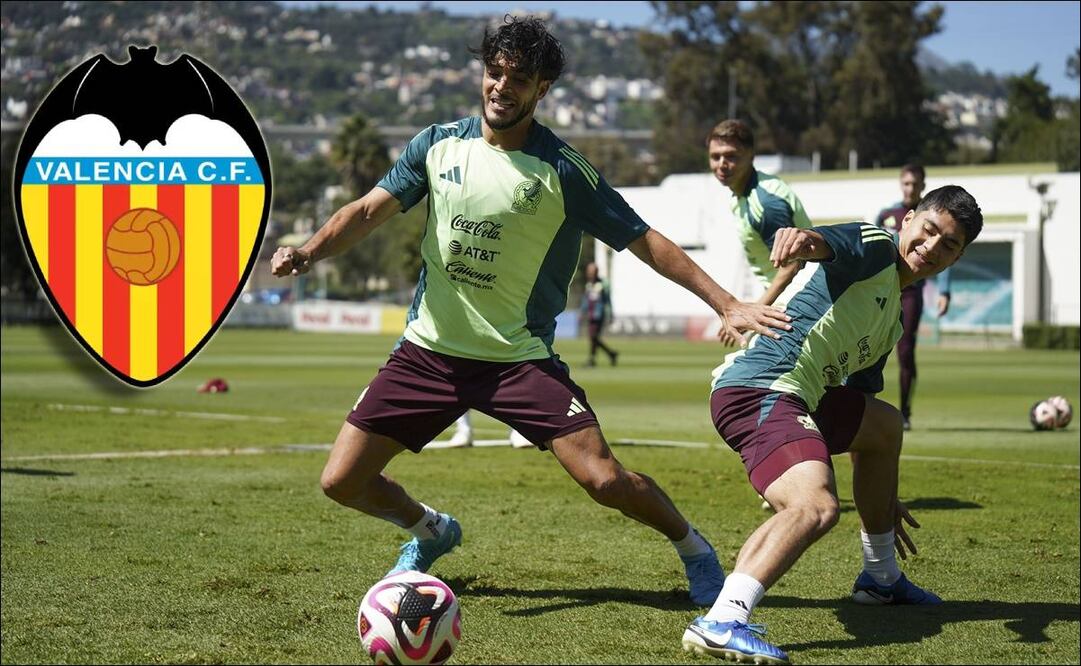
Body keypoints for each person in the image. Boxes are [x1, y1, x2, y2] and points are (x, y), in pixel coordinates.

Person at [272, 16, 790, 605]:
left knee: (605, 479)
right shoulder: (437, 145)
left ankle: (695, 550)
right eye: (494, 72)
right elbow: (367, 211)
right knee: (341, 481)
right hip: (428, 353)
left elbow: (646, 241)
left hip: (517, 361)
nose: (501, 86)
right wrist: (310, 250)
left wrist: (728, 302)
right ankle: (428, 529)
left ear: (542, 88)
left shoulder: (565, 171)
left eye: (519, 78)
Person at [682, 186, 983, 663]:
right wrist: (801, 239)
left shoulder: (891, 321)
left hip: (799, 394)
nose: (931, 248)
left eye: (949, 245)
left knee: (885, 425)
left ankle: (881, 579)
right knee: (816, 506)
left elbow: (860, 407)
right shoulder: (877, 245)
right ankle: (724, 618)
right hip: (759, 388)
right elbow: (825, 243)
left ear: (956, 258)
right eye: (929, 231)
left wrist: (886, 493)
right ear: (907, 221)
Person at [707, 119, 813, 347]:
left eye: (731, 156)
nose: (722, 164)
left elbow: (793, 263)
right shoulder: (743, 194)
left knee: (741, 375)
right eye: (716, 156)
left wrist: (752, 312)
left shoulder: (764, 203)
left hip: (802, 301)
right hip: (789, 298)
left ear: (751, 155)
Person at [874, 164, 952, 431]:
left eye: (915, 184)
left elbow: (945, 254)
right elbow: (872, 244)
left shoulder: (931, 216)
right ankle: (860, 401)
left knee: (905, 351)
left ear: (922, 185)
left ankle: (905, 412)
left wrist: (944, 291)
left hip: (910, 294)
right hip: (882, 290)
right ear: (900, 184)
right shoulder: (886, 215)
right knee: (870, 347)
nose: (910, 188)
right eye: (906, 183)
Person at [580, 262, 618, 367]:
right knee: (594, 338)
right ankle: (611, 354)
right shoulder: (588, 285)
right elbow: (585, 300)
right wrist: (582, 312)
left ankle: (592, 361)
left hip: (599, 315)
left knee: (593, 337)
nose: (589, 273)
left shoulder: (603, 284)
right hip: (590, 314)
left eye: (591, 271)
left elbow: (608, 301)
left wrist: (610, 315)